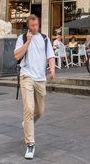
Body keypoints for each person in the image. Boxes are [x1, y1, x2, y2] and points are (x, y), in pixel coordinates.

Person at [13, 14, 55, 160]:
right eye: (32, 26)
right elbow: (17, 56)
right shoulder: (22, 38)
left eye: (36, 25)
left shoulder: (45, 38)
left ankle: (27, 123)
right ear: (28, 26)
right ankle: (30, 144)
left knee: (40, 110)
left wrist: (52, 69)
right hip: (26, 77)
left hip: (40, 79)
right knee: (29, 109)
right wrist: (28, 42)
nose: (35, 27)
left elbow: (50, 56)